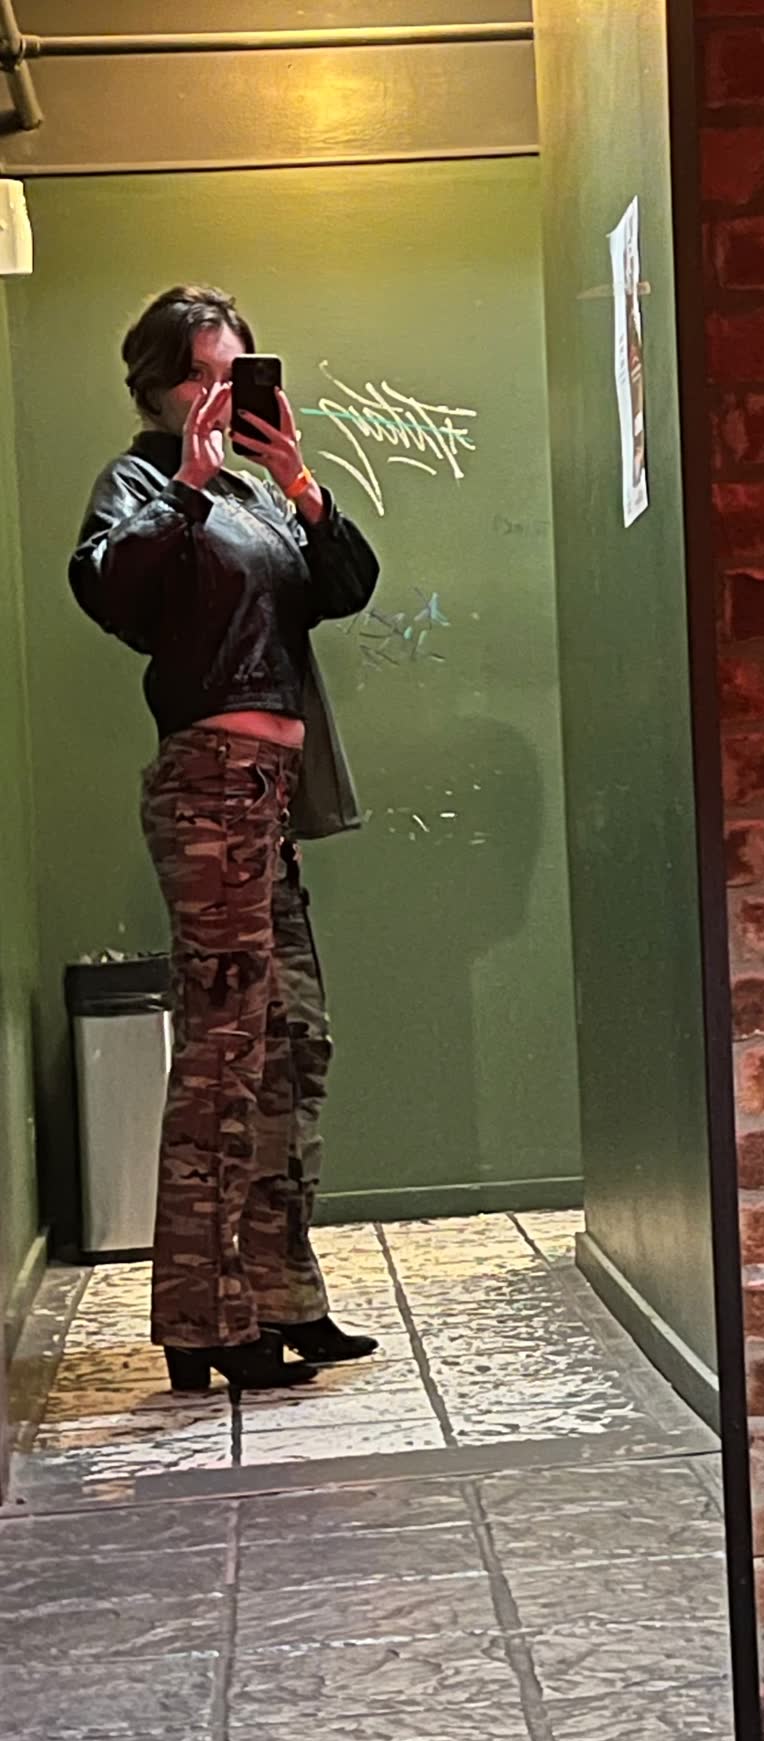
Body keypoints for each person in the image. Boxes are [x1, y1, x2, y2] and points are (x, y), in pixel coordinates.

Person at [69, 284, 381, 1395]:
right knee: (224, 1052)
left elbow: (346, 585)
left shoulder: (258, 492)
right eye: (198, 375)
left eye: (234, 373)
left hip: (270, 797)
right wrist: (191, 483)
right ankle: (201, 1318)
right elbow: (114, 594)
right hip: (209, 789)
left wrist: (296, 478)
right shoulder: (143, 487)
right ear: (156, 387)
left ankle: (281, 1295)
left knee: (293, 1043)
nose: (215, 395)